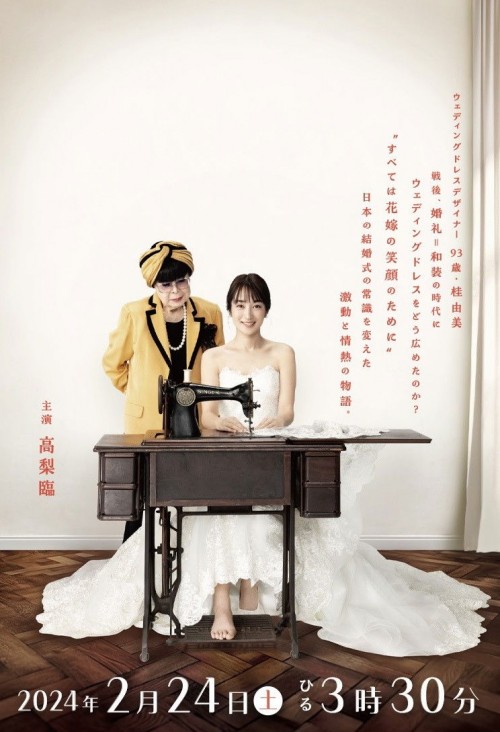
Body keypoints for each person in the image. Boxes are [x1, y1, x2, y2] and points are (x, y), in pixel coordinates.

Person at [37, 274, 490, 657]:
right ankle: (224, 598)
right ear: (230, 311)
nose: (248, 313)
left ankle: (247, 580)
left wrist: (275, 421)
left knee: (254, 502)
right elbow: (207, 416)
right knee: (219, 505)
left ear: (266, 309)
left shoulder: (282, 353)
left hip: (268, 448)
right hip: (223, 453)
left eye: (256, 305)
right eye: (239, 305)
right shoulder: (213, 357)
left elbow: (287, 409)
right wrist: (222, 425)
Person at [102, 240, 224, 540]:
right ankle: (136, 561)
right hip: (145, 421)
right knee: (143, 496)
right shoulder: (134, 314)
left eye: (182, 281)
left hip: (195, 418)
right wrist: (144, 394)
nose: (175, 291)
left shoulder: (209, 312)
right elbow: (113, 365)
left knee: (195, 489)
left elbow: (218, 363)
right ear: (153, 285)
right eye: (165, 285)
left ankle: (189, 556)